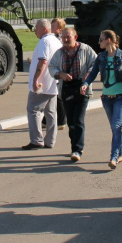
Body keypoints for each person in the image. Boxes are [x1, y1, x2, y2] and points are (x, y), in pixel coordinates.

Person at [82, 30, 122, 170]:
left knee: (116, 126)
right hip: (107, 99)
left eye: (101, 39)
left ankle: (114, 157)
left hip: (121, 98)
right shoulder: (101, 57)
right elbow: (93, 73)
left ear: (109, 40)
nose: (99, 42)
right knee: (115, 129)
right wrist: (85, 84)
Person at [49, 27, 98, 162]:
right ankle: (74, 147)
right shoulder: (59, 53)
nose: (65, 40)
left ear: (75, 37)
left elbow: (96, 63)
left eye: (68, 37)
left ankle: (78, 149)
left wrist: (89, 74)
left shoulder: (85, 49)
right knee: (71, 121)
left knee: (78, 120)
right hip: (67, 90)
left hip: (82, 89)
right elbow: (51, 66)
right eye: (63, 37)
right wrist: (61, 74)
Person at [23, 19, 63, 150]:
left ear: (44, 29)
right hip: (53, 81)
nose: (35, 31)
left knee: (33, 109)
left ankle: (36, 140)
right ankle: (50, 141)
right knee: (51, 112)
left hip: (42, 83)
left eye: (36, 28)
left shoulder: (44, 41)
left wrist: (35, 80)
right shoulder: (56, 41)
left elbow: (43, 61)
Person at [50, 18, 68, 130]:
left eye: (53, 26)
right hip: (55, 68)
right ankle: (48, 120)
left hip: (59, 69)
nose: (51, 28)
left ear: (59, 29)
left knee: (57, 95)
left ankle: (61, 120)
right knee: (54, 94)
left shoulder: (60, 39)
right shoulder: (54, 38)